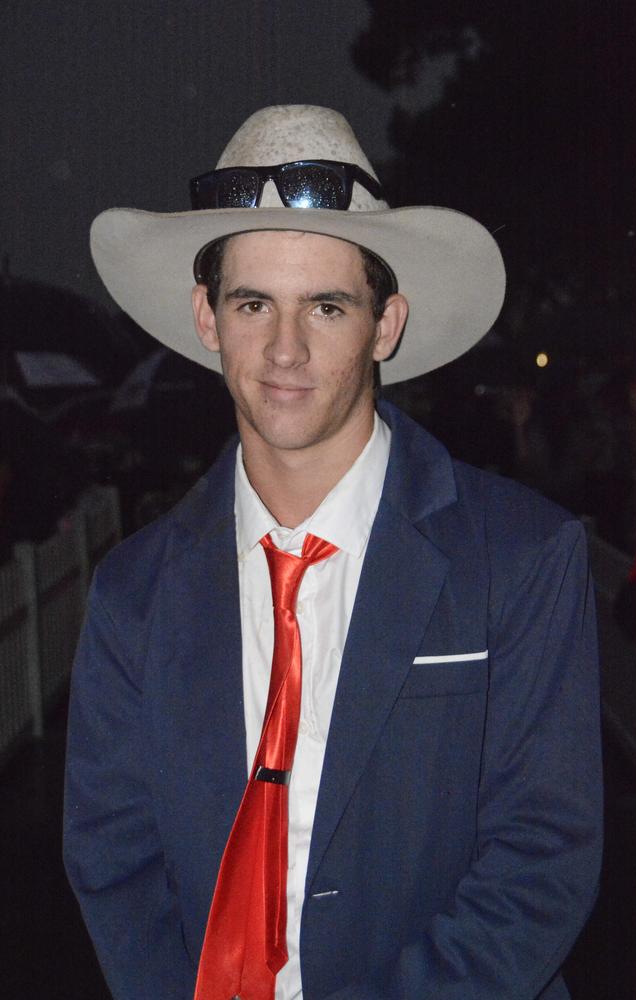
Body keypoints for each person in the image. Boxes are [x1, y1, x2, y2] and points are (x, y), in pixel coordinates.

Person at [63, 105, 602, 1000]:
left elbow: (543, 859)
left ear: (384, 325)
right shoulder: (133, 592)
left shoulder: (522, 558)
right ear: (208, 318)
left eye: (326, 304)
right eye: (252, 303)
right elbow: (114, 860)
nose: (285, 348)